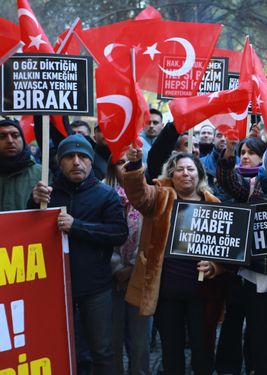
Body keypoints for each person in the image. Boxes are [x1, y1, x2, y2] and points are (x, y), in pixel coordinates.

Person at [29, 134, 128, 375]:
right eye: (69, 157)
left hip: (96, 288)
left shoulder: (106, 195)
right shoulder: (47, 194)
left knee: (102, 350)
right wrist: (33, 203)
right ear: (59, 162)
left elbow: (118, 234)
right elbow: (29, 231)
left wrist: (78, 226)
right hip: (54, 289)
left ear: (91, 161)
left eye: (82, 156)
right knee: (60, 348)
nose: (76, 162)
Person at [122, 147, 224, 375]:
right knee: (171, 349)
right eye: (180, 169)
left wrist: (215, 267)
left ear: (199, 174)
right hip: (167, 291)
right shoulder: (159, 197)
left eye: (191, 169)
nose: (186, 173)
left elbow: (224, 252)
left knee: (203, 349)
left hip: (202, 293)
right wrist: (136, 166)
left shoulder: (214, 204)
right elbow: (138, 194)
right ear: (171, 175)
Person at [216, 138, 267, 375]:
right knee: (259, 336)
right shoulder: (252, 186)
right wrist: (229, 153)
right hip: (256, 278)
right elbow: (228, 181)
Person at [215, 136, 267, 375]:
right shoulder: (248, 186)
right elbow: (228, 181)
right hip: (239, 268)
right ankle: (228, 367)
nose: (245, 156)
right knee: (233, 321)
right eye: (243, 151)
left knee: (260, 329)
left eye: (251, 152)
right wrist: (227, 159)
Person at [104, 156, 151, 375]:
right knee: (111, 340)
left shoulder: (151, 194)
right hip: (108, 278)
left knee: (140, 341)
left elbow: (155, 236)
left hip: (140, 275)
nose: (125, 166)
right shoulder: (102, 193)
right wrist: (116, 268)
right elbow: (100, 235)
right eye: (120, 161)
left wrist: (134, 267)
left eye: (130, 161)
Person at [0, 118, 41, 211]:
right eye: (2, 136)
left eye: (15, 135)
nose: (10, 140)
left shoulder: (42, 173)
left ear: (22, 139)